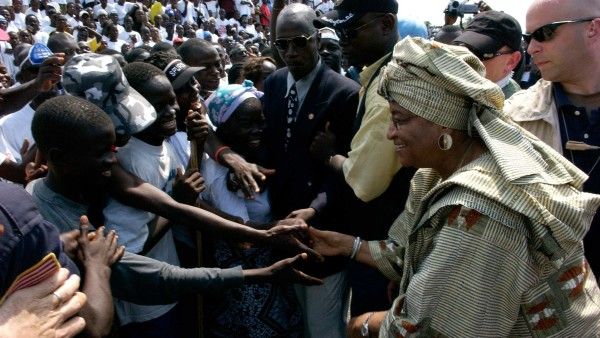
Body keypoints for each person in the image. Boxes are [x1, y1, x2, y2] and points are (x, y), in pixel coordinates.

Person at [309, 36, 600, 337]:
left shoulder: (480, 210)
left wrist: (363, 325)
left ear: (443, 122)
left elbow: (430, 330)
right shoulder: (437, 175)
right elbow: (410, 252)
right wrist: (345, 244)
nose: (390, 133)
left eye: (400, 119)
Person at [312, 0, 416, 320]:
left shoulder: (391, 84)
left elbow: (365, 183)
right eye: (338, 29)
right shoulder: (374, 75)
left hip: (385, 249)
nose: (342, 38)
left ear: (386, 24)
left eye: (351, 29)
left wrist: (329, 157)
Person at [261, 4, 359, 337]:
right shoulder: (273, 85)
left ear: (317, 39)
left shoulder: (344, 93)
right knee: (302, 322)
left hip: (324, 233)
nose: (290, 52)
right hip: (284, 230)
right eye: (281, 44)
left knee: (324, 328)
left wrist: (314, 209)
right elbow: (272, 150)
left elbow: (350, 172)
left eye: (299, 42)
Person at [505, 0, 600, 279]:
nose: (531, 48)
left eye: (545, 33)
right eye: (527, 37)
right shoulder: (511, 119)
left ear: (593, 29)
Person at [201, 81, 303, 337]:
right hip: (248, 271)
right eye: (248, 124)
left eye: (261, 121)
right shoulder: (219, 173)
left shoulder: (247, 155)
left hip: (268, 258)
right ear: (223, 126)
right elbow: (241, 238)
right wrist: (282, 229)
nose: (259, 129)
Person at [453, 10, 523, 99]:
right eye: (463, 48)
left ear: (511, 61)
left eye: (479, 53)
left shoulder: (515, 109)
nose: (467, 58)